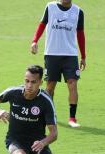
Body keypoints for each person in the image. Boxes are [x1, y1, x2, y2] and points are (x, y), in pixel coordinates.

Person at [31, 0, 86, 128]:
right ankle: (50, 116)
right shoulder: (50, 7)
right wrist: (34, 41)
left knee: (72, 84)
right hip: (52, 53)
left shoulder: (78, 12)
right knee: (50, 86)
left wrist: (83, 56)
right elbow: (42, 25)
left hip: (70, 55)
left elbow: (81, 34)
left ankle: (72, 118)